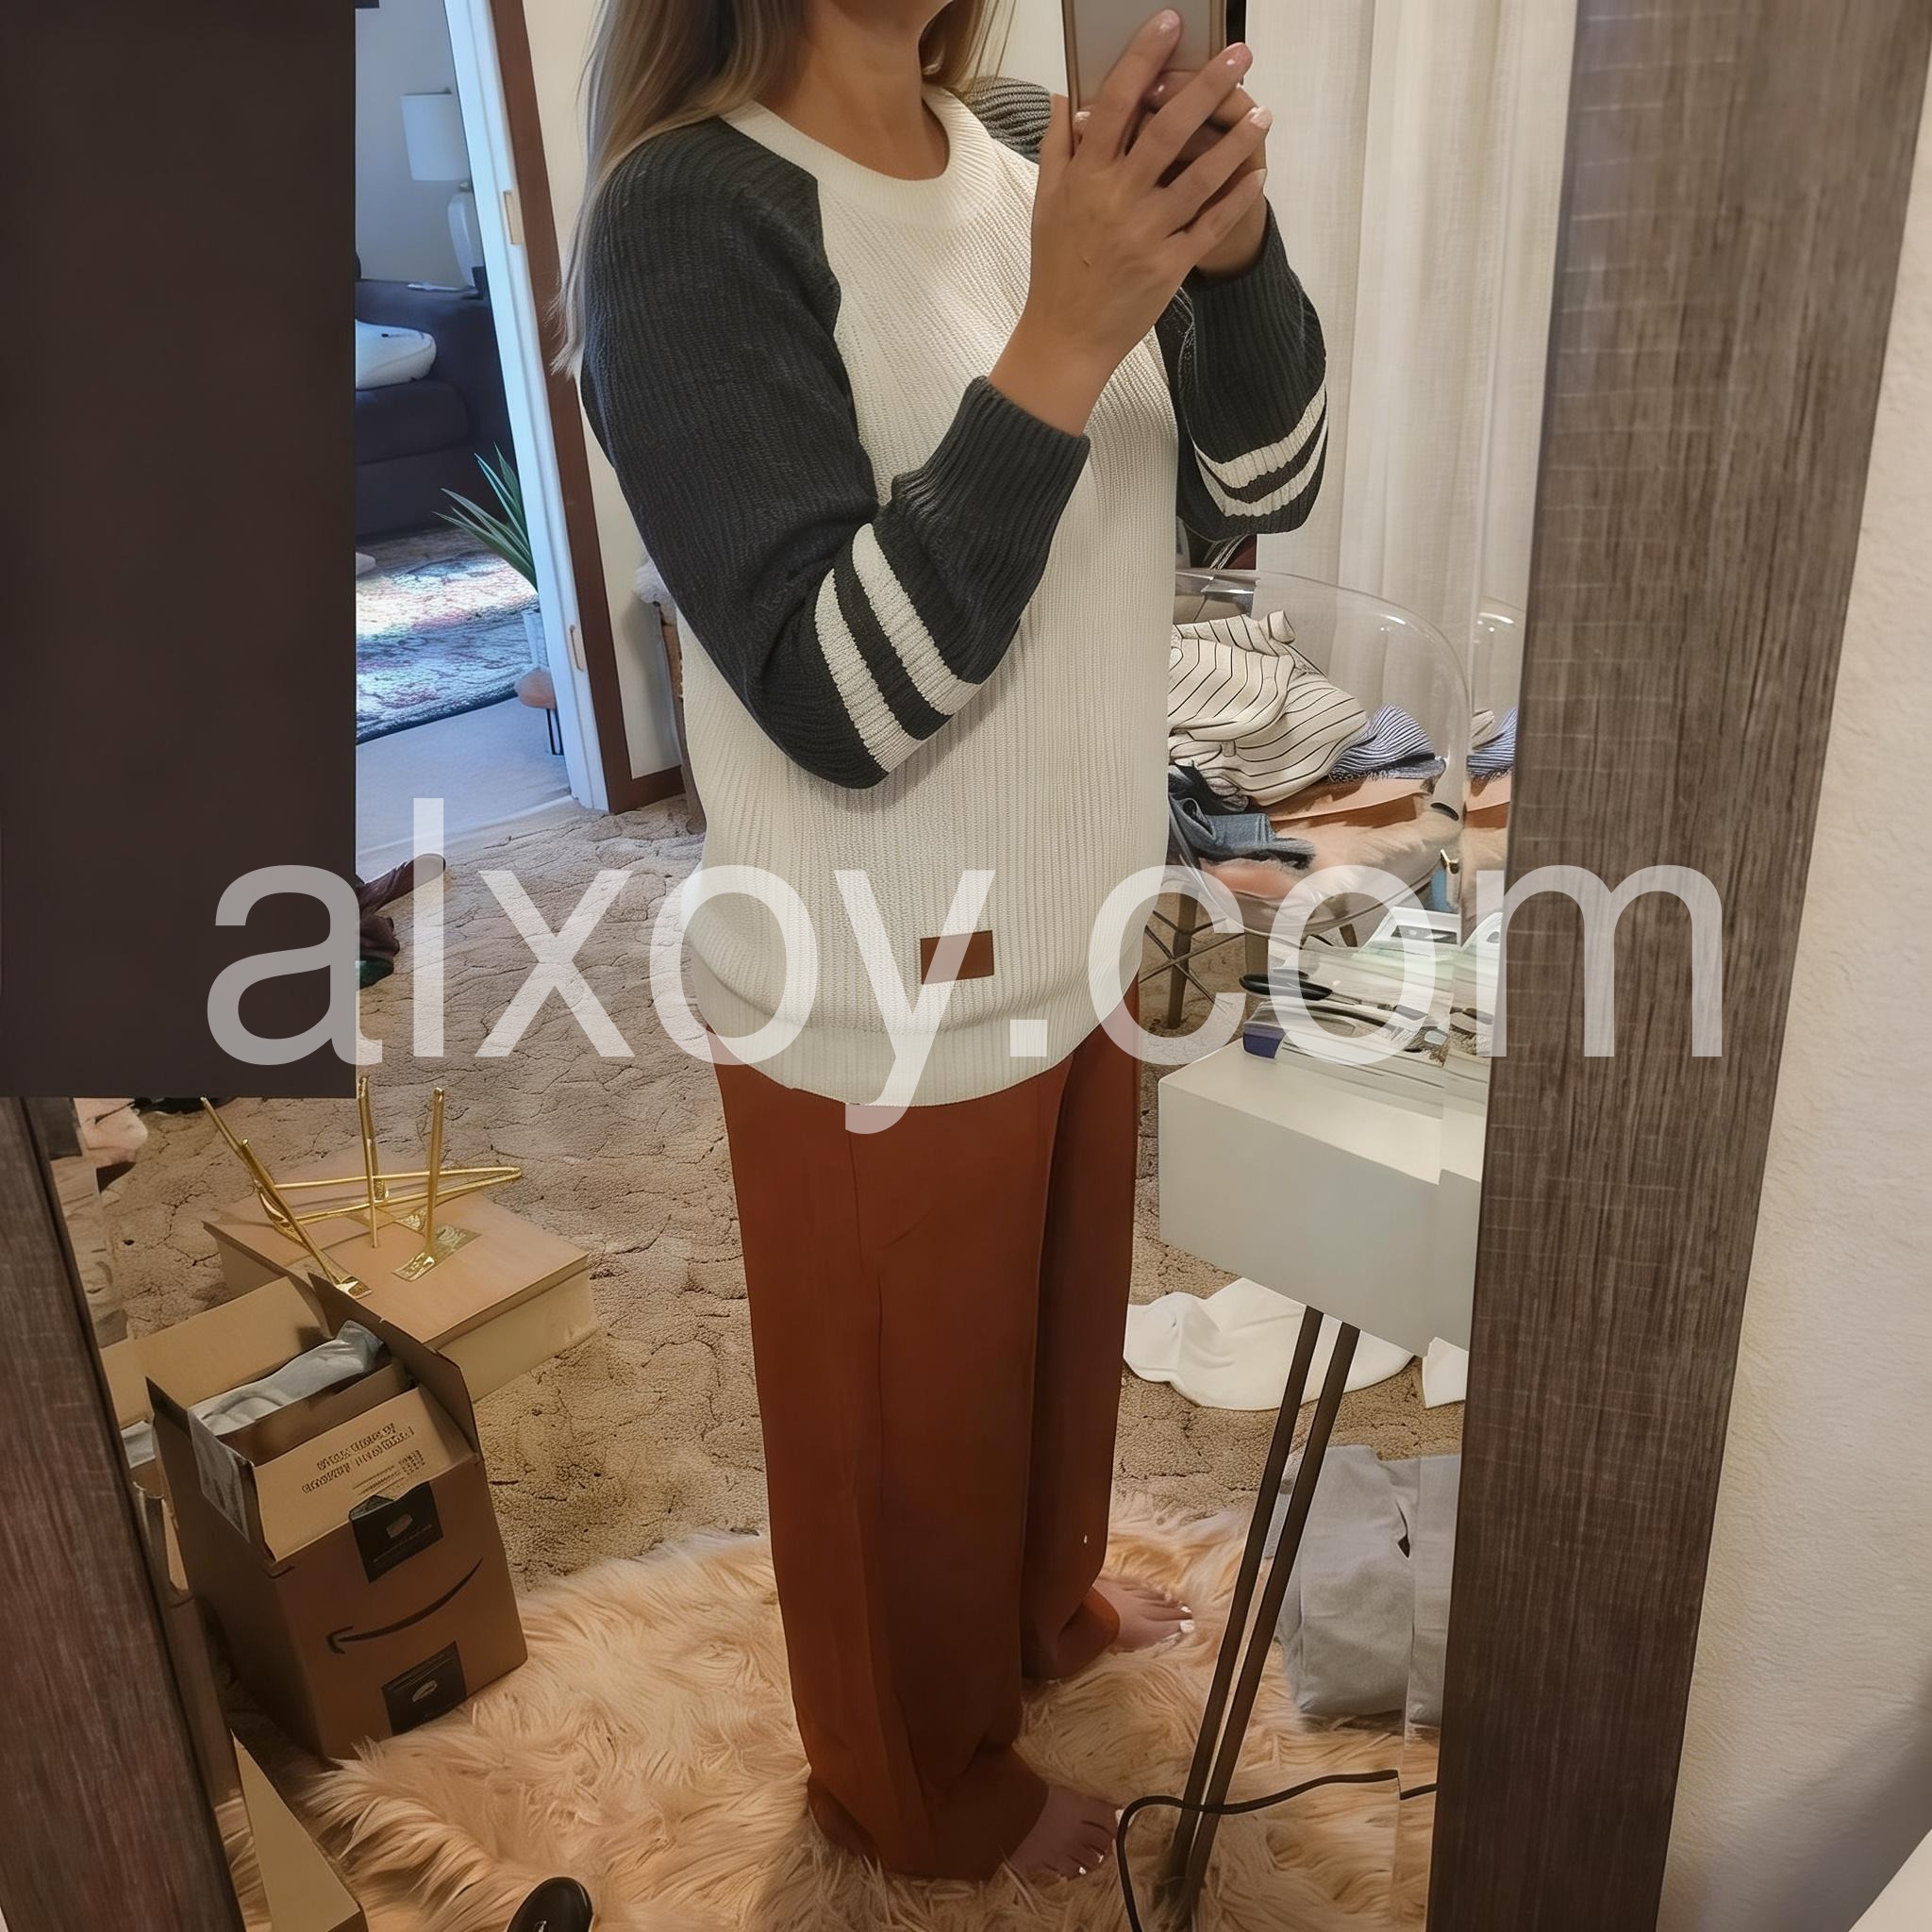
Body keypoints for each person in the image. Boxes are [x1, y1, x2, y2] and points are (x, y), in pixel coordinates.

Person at [566, 0, 1326, 1885]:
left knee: (1045, 1356)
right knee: (895, 1436)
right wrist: (1064, 333)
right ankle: (908, 1785)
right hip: (870, 973)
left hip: (1078, 915)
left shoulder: (1020, 138)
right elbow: (840, 696)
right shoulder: (687, 216)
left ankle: (1040, 1609)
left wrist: (1233, 256)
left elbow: (1257, 496)